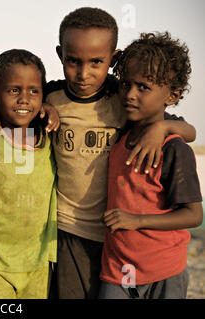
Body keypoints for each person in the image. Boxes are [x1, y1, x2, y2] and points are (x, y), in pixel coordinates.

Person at [43, 7, 197, 299]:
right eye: (73, 61)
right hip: (68, 229)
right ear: (60, 54)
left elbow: (189, 131)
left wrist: (161, 128)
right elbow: (14, 97)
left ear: (113, 60)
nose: (83, 73)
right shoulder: (51, 95)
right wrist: (43, 108)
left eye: (96, 62)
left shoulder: (121, 97)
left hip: (116, 238)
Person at [99, 32, 203, 299]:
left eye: (143, 87)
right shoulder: (120, 131)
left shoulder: (173, 148)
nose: (130, 94)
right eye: (126, 84)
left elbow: (193, 215)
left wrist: (137, 221)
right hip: (117, 268)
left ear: (172, 95)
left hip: (164, 270)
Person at [0, 49, 57, 299]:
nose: (24, 99)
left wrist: (50, 108)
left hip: (37, 263)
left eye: (34, 91)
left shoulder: (49, 139)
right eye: (14, 90)